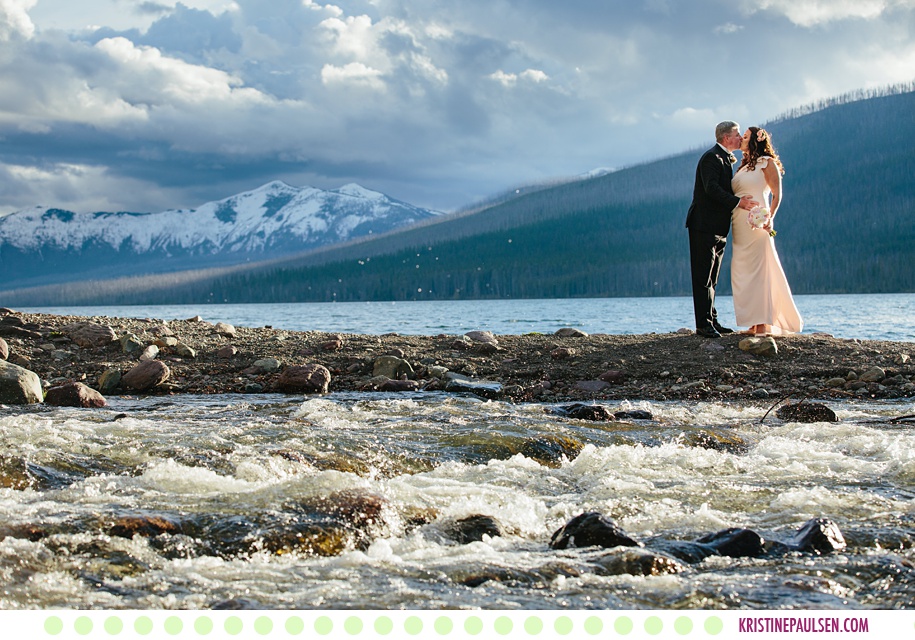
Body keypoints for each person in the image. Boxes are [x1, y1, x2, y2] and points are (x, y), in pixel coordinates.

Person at [685, 121, 758, 338]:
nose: (740, 139)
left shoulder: (725, 159)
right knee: (702, 276)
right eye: (737, 134)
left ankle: (712, 321)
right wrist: (738, 202)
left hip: (718, 227)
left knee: (712, 277)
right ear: (726, 137)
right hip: (703, 225)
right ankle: (703, 325)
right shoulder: (712, 157)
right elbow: (711, 188)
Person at [729, 127, 803, 335]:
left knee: (760, 271)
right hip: (740, 224)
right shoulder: (742, 167)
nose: (741, 140)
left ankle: (763, 324)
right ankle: (752, 322)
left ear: (755, 140)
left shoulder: (766, 163)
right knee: (742, 271)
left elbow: (777, 194)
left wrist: (769, 217)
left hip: (758, 223)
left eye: (745, 137)